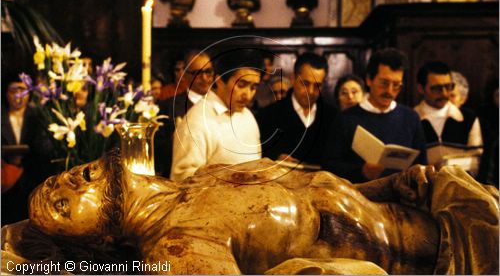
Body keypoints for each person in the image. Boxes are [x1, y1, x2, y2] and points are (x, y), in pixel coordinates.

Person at [8, 151, 496, 274]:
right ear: (96, 240)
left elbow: (316, 190)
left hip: (450, 209)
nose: (62, 182)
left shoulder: (205, 175)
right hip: (456, 262)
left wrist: (387, 184)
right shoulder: (180, 249)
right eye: (62, 205)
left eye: (53, 182)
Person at [323, 48, 427, 183]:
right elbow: (328, 167)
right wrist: (361, 171)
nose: (389, 91)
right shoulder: (346, 119)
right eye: (384, 83)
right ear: (369, 80)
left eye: (396, 85)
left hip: (401, 197)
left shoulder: (411, 118)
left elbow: (421, 165)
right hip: (358, 197)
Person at [170, 49, 262, 181]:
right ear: (219, 80)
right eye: (241, 85)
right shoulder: (196, 121)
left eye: (253, 87)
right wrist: (227, 178)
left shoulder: (248, 117)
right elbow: (181, 178)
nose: (247, 95)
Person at [257, 53, 337, 166]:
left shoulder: (332, 116)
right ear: (293, 78)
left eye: (317, 85)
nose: (310, 91)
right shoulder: (268, 115)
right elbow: (259, 156)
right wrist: (276, 157)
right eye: (305, 83)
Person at [1, 74, 52, 224]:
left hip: (32, 178)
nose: (18, 96)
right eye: (13, 91)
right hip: (5, 179)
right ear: (6, 93)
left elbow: (47, 147)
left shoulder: (39, 116)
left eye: (22, 90)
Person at [414, 62, 483, 156]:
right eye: (436, 88)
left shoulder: (468, 118)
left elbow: (476, 158)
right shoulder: (410, 118)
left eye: (448, 86)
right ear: (421, 88)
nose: (445, 93)